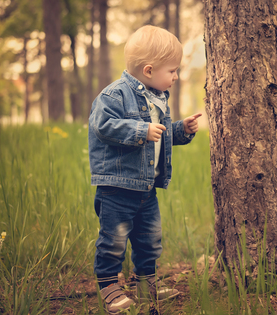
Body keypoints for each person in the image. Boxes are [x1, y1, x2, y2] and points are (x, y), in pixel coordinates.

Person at [88, 25, 202, 314]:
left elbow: (159, 134)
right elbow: (102, 126)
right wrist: (140, 129)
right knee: (113, 240)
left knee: (149, 240)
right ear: (149, 70)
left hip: (146, 188)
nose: (176, 76)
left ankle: (145, 284)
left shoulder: (156, 97)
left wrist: (181, 130)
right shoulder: (114, 95)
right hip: (117, 188)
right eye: (172, 71)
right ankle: (109, 286)